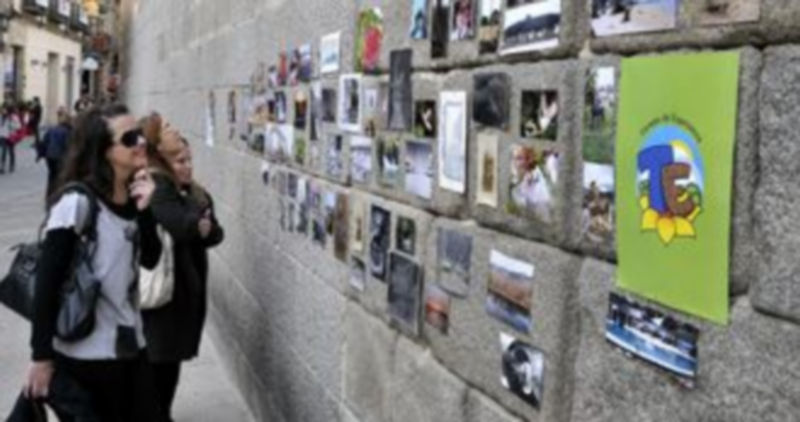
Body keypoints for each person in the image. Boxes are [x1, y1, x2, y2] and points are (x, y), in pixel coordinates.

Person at [25, 104, 163, 422]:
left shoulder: (133, 198)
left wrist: (145, 211)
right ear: (103, 151)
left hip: (130, 346)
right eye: (129, 138)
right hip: (85, 356)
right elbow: (47, 284)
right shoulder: (76, 204)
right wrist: (41, 357)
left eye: (140, 134)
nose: (141, 142)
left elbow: (152, 259)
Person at [141, 113, 224, 422]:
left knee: (169, 365)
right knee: (160, 366)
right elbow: (182, 226)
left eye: (189, 160)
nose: (173, 127)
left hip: (183, 290)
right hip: (166, 293)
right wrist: (197, 220)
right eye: (166, 128)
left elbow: (214, 232)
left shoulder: (189, 191)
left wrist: (201, 221)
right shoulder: (159, 185)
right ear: (158, 149)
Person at [41, 107, 73, 197]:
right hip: (60, 156)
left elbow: (45, 142)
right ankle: (58, 193)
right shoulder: (67, 131)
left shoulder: (52, 129)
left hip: (50, 156)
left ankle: (49, 193)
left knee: (52, 175)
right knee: (60, 175)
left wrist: (42, 154)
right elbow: (68, 145)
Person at [0, 104, 22, 174]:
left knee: (11, 151)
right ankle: (2, 167)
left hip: (11, 136)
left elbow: (19, 126)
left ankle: (11, 165)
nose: (3, 110)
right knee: (3, 151)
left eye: (4, 109)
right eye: (2, 109)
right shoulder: (1, 117)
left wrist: (11, 124)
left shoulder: (14, 117)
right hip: (3, 136)